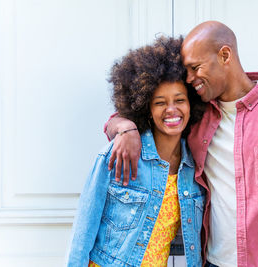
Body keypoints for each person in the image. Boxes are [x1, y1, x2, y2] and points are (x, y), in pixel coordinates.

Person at [105, 21, 258, 267]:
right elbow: (140, 116)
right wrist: (125, 127)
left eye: (195, 68)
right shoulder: (196, 117)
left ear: (225, 55)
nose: (190, 78)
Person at [67, 36, 207, 267]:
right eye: (160, 102)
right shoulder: (118, 154)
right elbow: (82, 233)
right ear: (147, 108)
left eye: (180, 100)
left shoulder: (194, 168)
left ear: (191, 104)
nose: (171, 110)